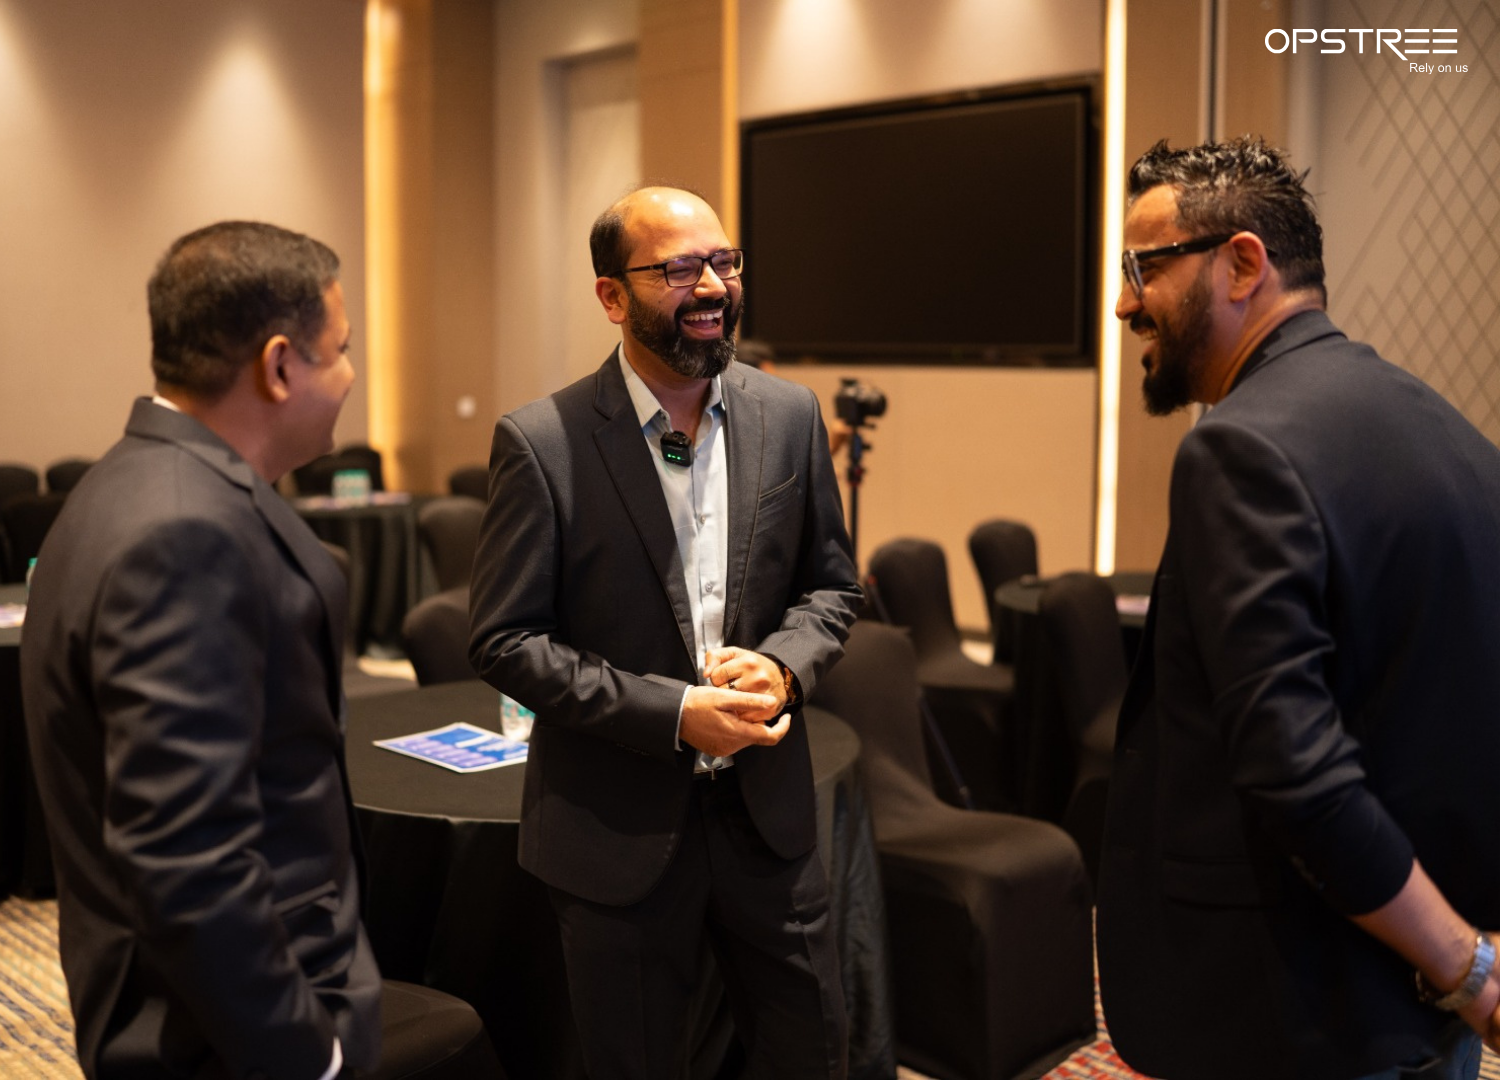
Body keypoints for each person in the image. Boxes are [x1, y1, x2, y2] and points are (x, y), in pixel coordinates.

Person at [1097, 137, 1500, 1080]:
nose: (1123, 303)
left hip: (1296, 1008)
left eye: (1143, 269)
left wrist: (1470, 970)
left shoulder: (1240, 448)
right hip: (1413, 994)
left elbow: (1298, 772)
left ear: (1243, 265)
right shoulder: (1451, 433)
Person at [469, 186, 861, 1079]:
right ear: (612, 296)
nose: (713, 286)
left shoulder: (789, 416)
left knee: (813, 1054)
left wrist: (783, 669)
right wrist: (675, 714)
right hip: (615, 835)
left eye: (724, 262)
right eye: (679, 269)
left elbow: (833, 587)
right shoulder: (542, 442)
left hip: (769, 826)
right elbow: (504, 639)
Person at [24, 222, 382, 1080]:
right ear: (279, 365)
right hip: (217, 1034)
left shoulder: (133, 478)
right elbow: (187, 854)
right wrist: (309, 1053)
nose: (350, 375)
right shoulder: (186, 531)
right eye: (341, 351)